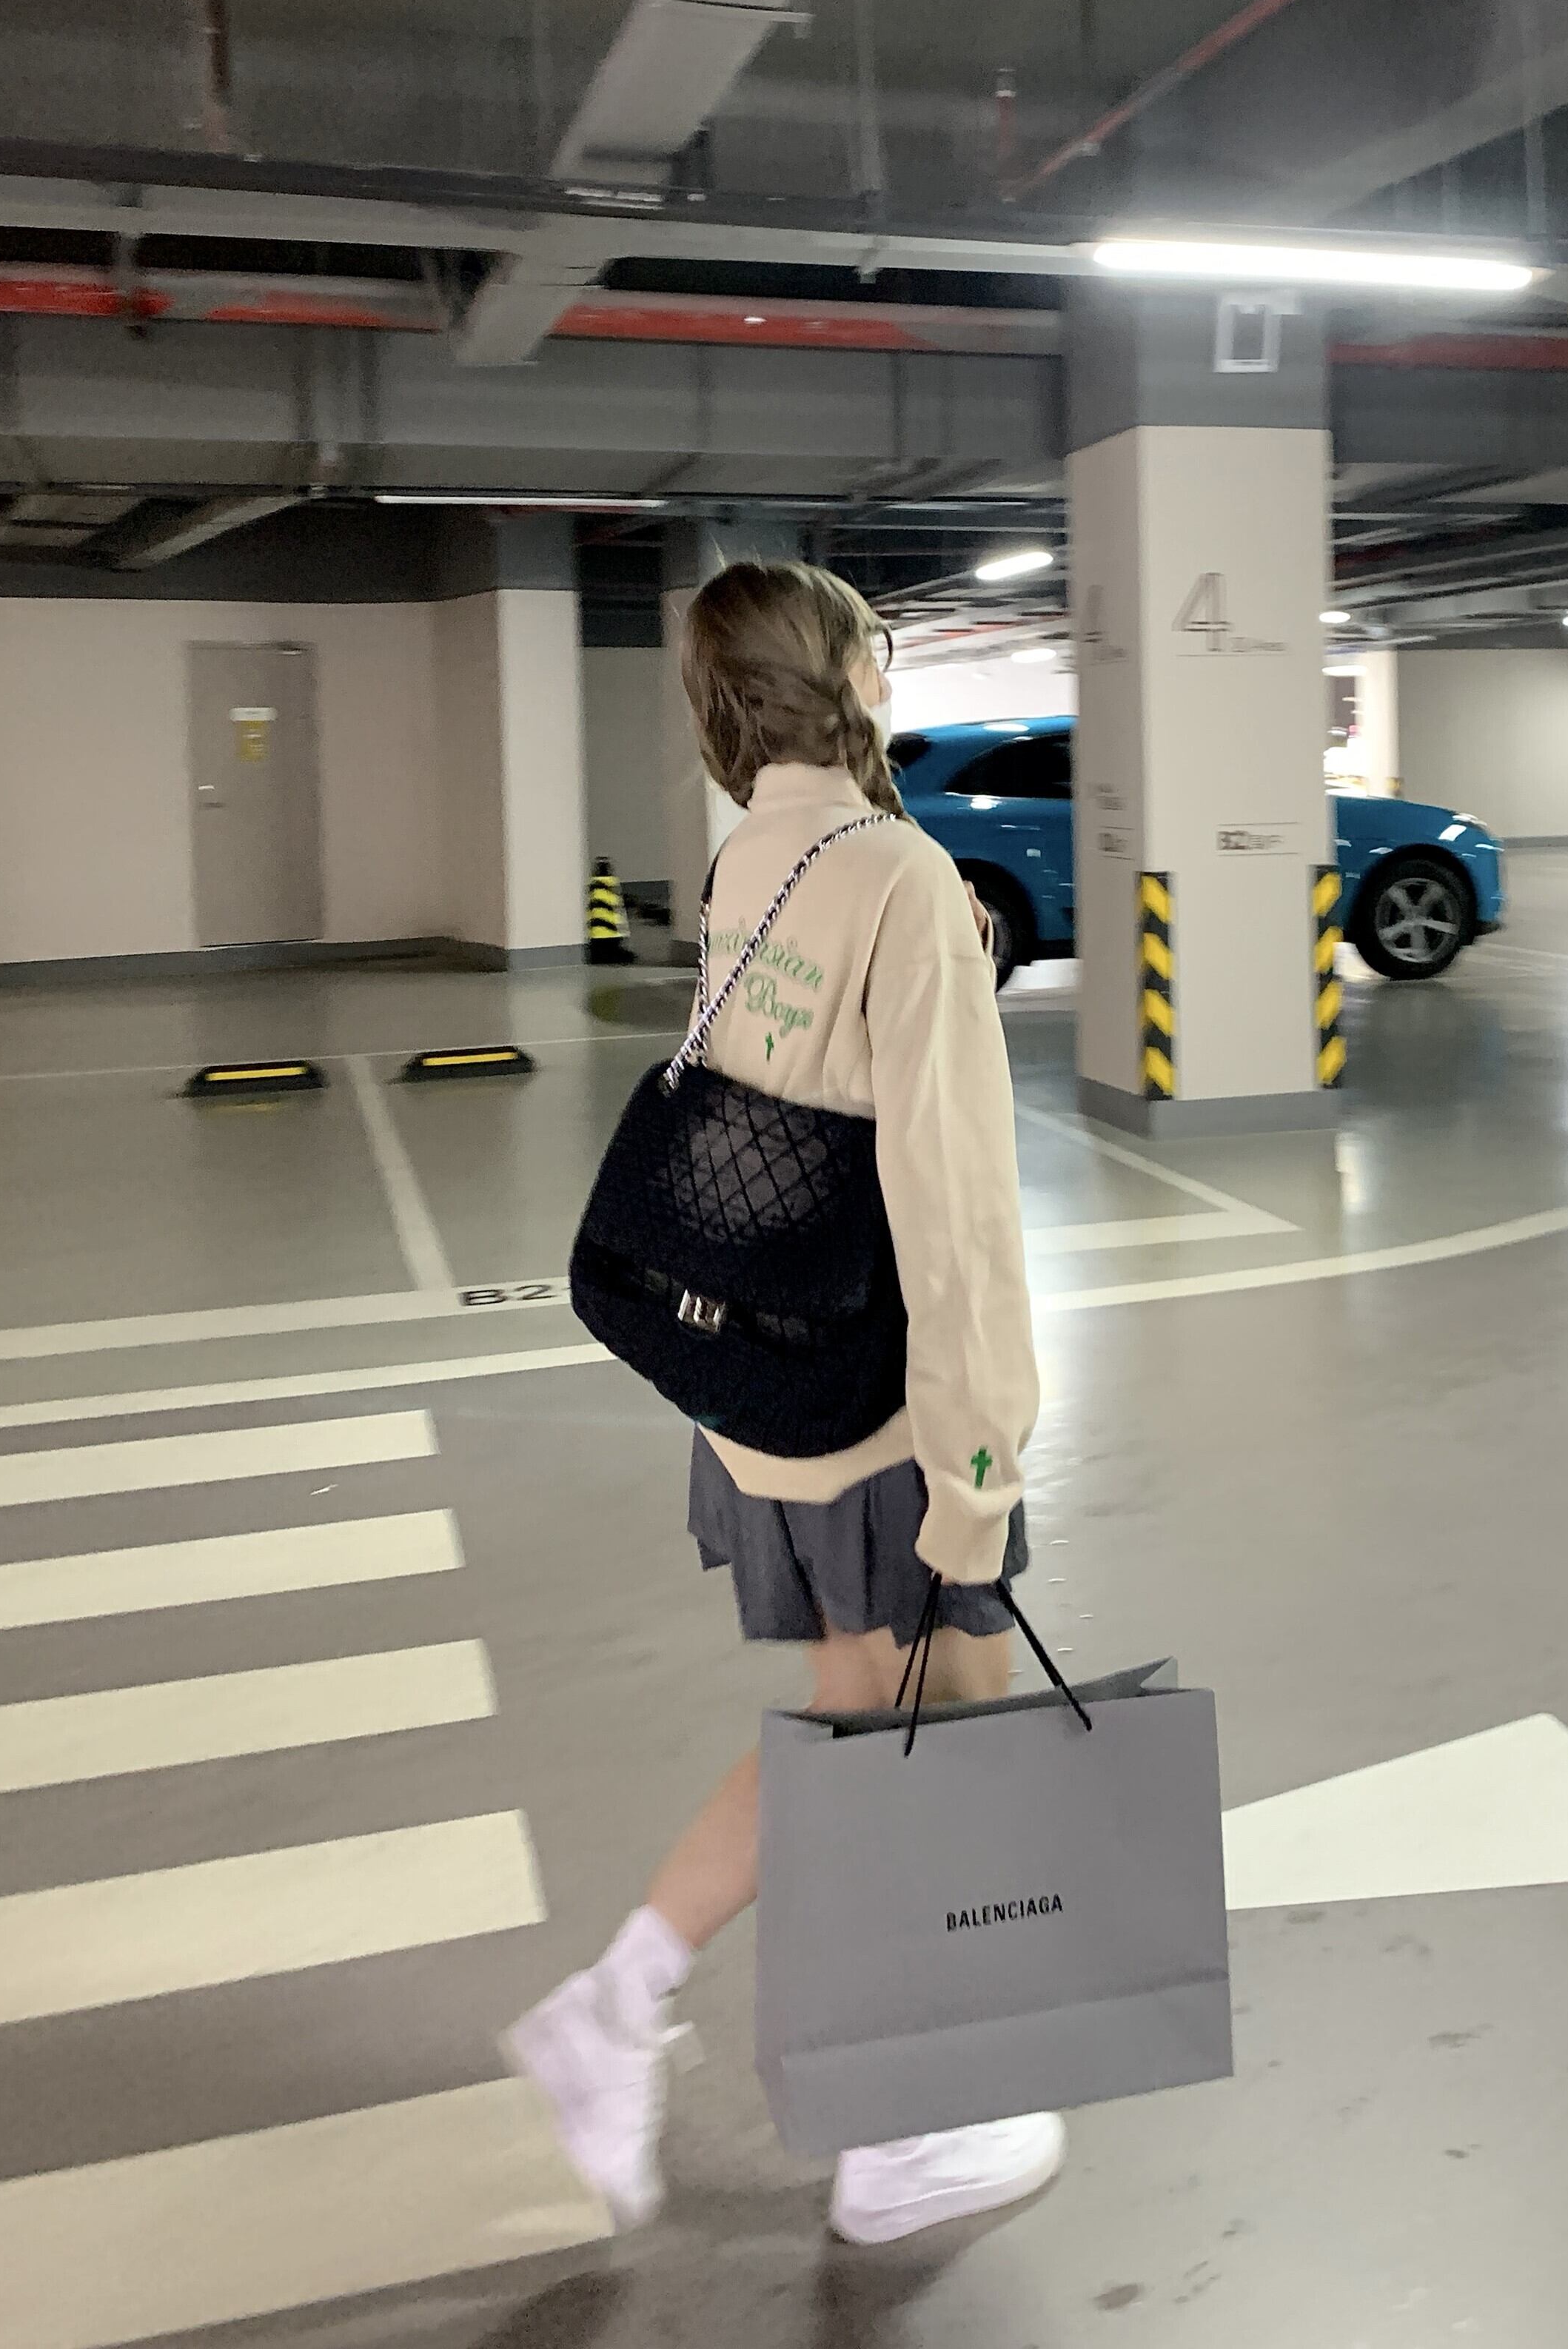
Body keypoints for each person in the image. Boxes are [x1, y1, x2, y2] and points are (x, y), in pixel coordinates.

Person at [503, 560, 1059, 2246]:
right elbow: (953, 1211)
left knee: (865, 1722)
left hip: (755, 1383)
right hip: (873, 1409)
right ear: (848, 676)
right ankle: (891, 2129)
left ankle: (620, 2007)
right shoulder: (898, 875)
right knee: (925, 1738)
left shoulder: (753, 853)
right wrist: (979, 1470)